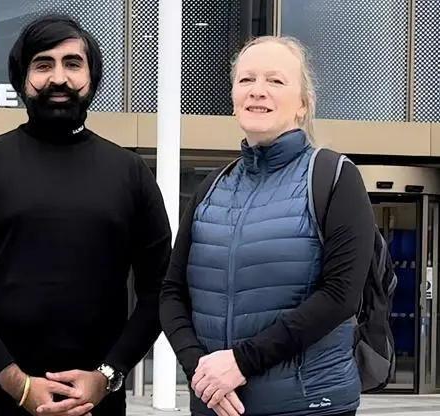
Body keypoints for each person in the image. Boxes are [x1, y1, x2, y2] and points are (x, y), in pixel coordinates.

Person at [0, 14, 171, 416]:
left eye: (72, 64)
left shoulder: (130, 173)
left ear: (92, 77)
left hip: (96, 405)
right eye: (43, 64)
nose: (58, 78)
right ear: (22, 79)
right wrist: (16, 382)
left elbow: (161, 289)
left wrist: (108, 376)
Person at [160, 36, 375, 416]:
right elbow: (172, 293)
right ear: (233, 97)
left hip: (308, 406)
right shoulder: (212, 188)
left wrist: (241, 362)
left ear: (303, 105)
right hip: (216, 405)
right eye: (246, 80)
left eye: (275, 81)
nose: (257, 91)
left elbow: (340, 296)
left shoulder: (334, 177)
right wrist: (201, 372)